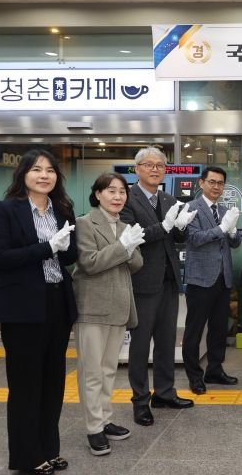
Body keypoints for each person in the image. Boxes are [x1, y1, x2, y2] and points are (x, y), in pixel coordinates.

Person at [0, 149, 77, 475]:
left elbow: (69, 258)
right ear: (23, 173)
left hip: (57, 303)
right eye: (37, 169)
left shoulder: (62, 209)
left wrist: (64, 248)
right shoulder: (6, 209)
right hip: (22, 307)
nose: (44, 175)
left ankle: (49, 449)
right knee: (26, 384)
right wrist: (47, 247)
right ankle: (27, 457)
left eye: (50, 170)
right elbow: (0, 257)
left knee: (53, 383)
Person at [120, 147, 198, 426]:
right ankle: (140, 400)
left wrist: (181, 226)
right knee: (140, 345)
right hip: (142, 280)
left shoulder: (168, 198)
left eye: (160, 166)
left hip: (169, 279)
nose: (155, 169)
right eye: (149, 165)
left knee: (166, 342)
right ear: (137, 169)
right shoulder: (127, 198)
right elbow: (132, 236)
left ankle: (164, 393)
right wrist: (164, 227)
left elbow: (177, 237)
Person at [73, 173, 145, 456]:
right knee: (91, 373)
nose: (117, 196)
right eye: (111, 191)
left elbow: (137, 264)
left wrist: (129, 246)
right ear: (98, 194)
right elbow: (89, 263)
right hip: (92, 308)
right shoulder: (84, 223)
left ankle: (105, 419)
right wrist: (122, 247)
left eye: (122, 192)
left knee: (108, 370)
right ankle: (93, 428)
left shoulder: (125, 226)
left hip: (119, 307)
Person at [182, 166, 241, 393]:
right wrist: (222, 228)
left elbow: (234, 243)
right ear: (201, 183)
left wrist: (233, 231)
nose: (217, 186)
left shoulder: (225, 210)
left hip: (223, 279)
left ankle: (215, 370)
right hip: (200, 279)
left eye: (220, 183)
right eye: (212, 182)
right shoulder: (191, 208)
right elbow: (194, 238)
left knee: (218, 329)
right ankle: (194, 376)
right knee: (195, 330)